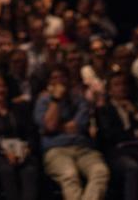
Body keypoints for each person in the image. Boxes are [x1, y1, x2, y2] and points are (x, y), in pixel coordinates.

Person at [34, 66, 109, 200]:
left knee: (100, 172)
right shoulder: (43, 102)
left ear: (68, 80)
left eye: (62, 77)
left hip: (84, 149)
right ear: (49, 82)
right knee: (69, 175)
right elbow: (50, 126)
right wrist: (56, 100)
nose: (59, 81)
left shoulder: (80, 100)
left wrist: (59, 127)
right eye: (54, 78)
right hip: (56, 150)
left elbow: (77, 126)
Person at [0, 71, 38, 200]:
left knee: (29, 171)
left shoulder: (20, 108)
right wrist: (4, 152)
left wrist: (27, 149)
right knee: (6, 170)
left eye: (3, 86)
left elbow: (31, 133)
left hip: (22, 153)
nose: (0, 90)